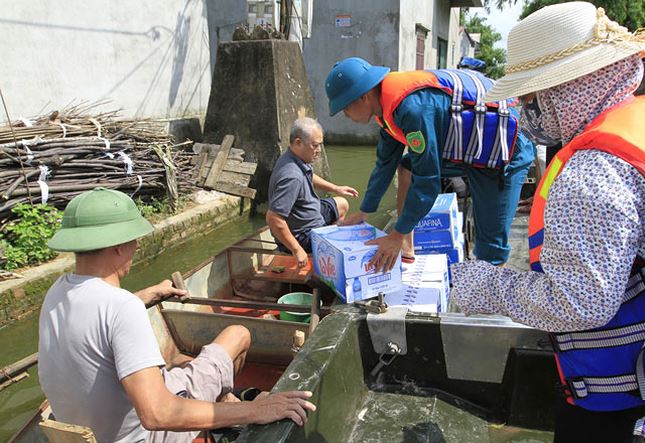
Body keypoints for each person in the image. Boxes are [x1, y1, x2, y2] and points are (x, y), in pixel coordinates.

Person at [449, 3, 645, 442]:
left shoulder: (591, 171)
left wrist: (484, 286)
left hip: (621, 402)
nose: (528, 111)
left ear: (568, 88)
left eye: (532, 97)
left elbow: (578, 303)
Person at [39, 187, 316, 443]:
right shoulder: (122, 308)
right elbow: (157, 414)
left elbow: (99, 315)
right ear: (119, 246)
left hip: (98, 431)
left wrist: (147, 295)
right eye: (134, 240)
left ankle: (225, 402)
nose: (136, 248)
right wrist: (255, 410)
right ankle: (228, 409)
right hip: (147, 435)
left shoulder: (57, 291)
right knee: (238, 334)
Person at [324, 57, 534, 272]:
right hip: (467, 149)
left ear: (364, 97)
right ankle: (406, 247)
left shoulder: (413, 110)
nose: (346, 116)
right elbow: (384, 164)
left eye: (345, 108)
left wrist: (396, 232)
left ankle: (491, 300)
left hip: (504, 152)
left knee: (490, 247)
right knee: (406, 166)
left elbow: (428, 182)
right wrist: (365, 212)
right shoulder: (387, 111)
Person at [267, 117, 358, 267]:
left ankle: (328, 238)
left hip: (311, 213)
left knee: (342, 204)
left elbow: (308, 176)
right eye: (315, 146)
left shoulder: (293, 158)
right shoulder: (291, 177)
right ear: (298, 143)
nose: (318, 151)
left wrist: (336, 188)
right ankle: (319, 250)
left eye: (320, 145)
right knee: (349, 238)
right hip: (303, 234)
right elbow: (273, 218)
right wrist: (296, 249)